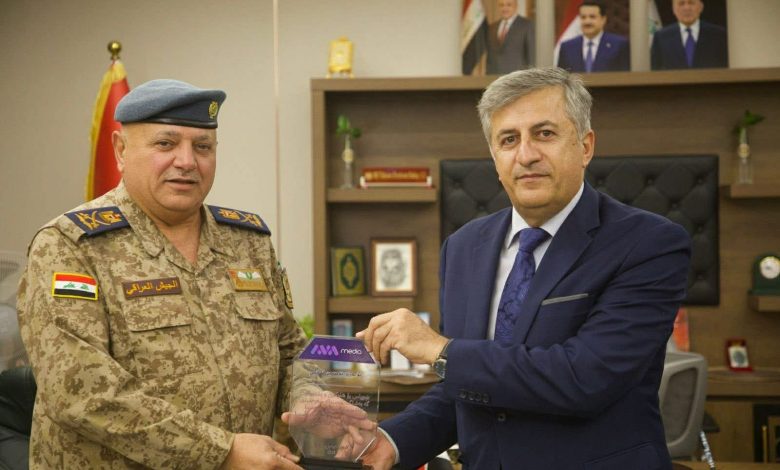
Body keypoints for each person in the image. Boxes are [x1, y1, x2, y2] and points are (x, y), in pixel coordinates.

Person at [357, 67, 691, 469]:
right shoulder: (462, 247)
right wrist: (391, 441)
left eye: (544, 133)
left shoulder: (650, 243)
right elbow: (465, 384)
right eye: (509, 139)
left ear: (585, 146)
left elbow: (584, 378)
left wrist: (440, 350)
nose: (526, 155)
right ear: (494, 157)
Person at [17, 79, 308, 469]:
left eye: (202, 147)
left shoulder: (247, 242)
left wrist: (314, 405)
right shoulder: (71, 245)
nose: (187, 161)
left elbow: (289, 352)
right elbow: (81, 391)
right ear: (121, 150)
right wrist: (220, 451)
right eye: (165, 144)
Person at [651, 0, 728, 70]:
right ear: (673, 9)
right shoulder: (661, 38)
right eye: (681, 4)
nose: (687, 8)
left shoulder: (718, 35)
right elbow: (655, 71)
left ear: (701, 7)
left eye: (691, 3)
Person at [557, 1, 630, 73]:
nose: (587, 21)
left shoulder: (619, 45)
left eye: (592, 17)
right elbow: (561, 77)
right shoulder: (567, 47)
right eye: (583, 17)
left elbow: (625, 76)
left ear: (603, 19)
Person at [486, 0, 535, 74]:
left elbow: (531, 56)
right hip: (494, 77)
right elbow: (489, 58)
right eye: (501, 5)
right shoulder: (492, 27)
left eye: (509, 5)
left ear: (516, 6)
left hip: (517, 77)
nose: (504, 8)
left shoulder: (527, 25)